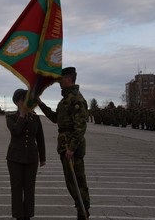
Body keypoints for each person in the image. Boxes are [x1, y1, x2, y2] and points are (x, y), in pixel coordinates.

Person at [37, 67, 90, 220]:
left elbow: (81, 127)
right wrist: (40, 103)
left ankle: (84, 212)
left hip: (72, 148)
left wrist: (72, 148)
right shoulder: (65, 100)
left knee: (78, 182)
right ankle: (81, 210)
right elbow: (55, 118)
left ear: (68, 79)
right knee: (70, 182)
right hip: (65, 147)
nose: (59, 81)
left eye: (61, 78)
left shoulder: (76, 99)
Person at [6, 89, 46, 220]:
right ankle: (19, 216)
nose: (26, 102)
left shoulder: (35, 117)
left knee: (29, 188)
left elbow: (40, 138)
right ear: (17, 102)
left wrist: (42, 157)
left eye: (28, 100)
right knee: (17, 188)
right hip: (15, 158)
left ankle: (28, 215)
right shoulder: (11, 117)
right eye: (23, 100)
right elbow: (16, 131)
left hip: (31, 158)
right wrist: (22, 115)